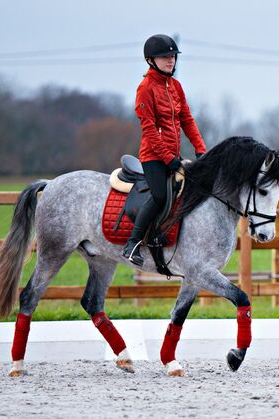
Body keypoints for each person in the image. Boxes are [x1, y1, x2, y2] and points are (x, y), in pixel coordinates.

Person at [123, 34, 206, 266]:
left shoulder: (175, 86)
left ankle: (165, 234)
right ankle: (133, 243)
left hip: (173, 156)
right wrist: (168, 158)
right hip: (153, 157)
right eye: (164, 57)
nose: (170, 60)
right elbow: (148, 129)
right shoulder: (145, 88)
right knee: (159, 196)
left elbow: (187, 120)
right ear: (151, 60)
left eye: (172, 56)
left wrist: (201, 150)